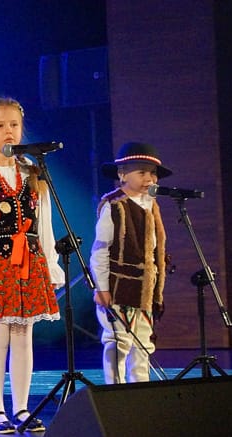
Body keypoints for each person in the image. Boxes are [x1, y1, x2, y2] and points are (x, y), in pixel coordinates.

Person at [0, 96, 64, 434]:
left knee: (24, 337)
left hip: (28, 262)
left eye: (13, 125)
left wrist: (50, 265)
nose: (8, 132)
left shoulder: (33, 173)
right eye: (0, 126)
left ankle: (21, 407)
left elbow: (43, 225)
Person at [90, 142, 169, 384]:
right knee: (118, 340)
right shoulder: (114, 206)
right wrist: (101, 287)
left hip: (146, 288)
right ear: (122, 174)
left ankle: (140, 389)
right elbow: (100, 251)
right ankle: (116, 390)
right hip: (118, 285)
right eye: (142, 172)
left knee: (143, 342)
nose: (149, 178)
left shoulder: (152, 205)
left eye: (152, 173)